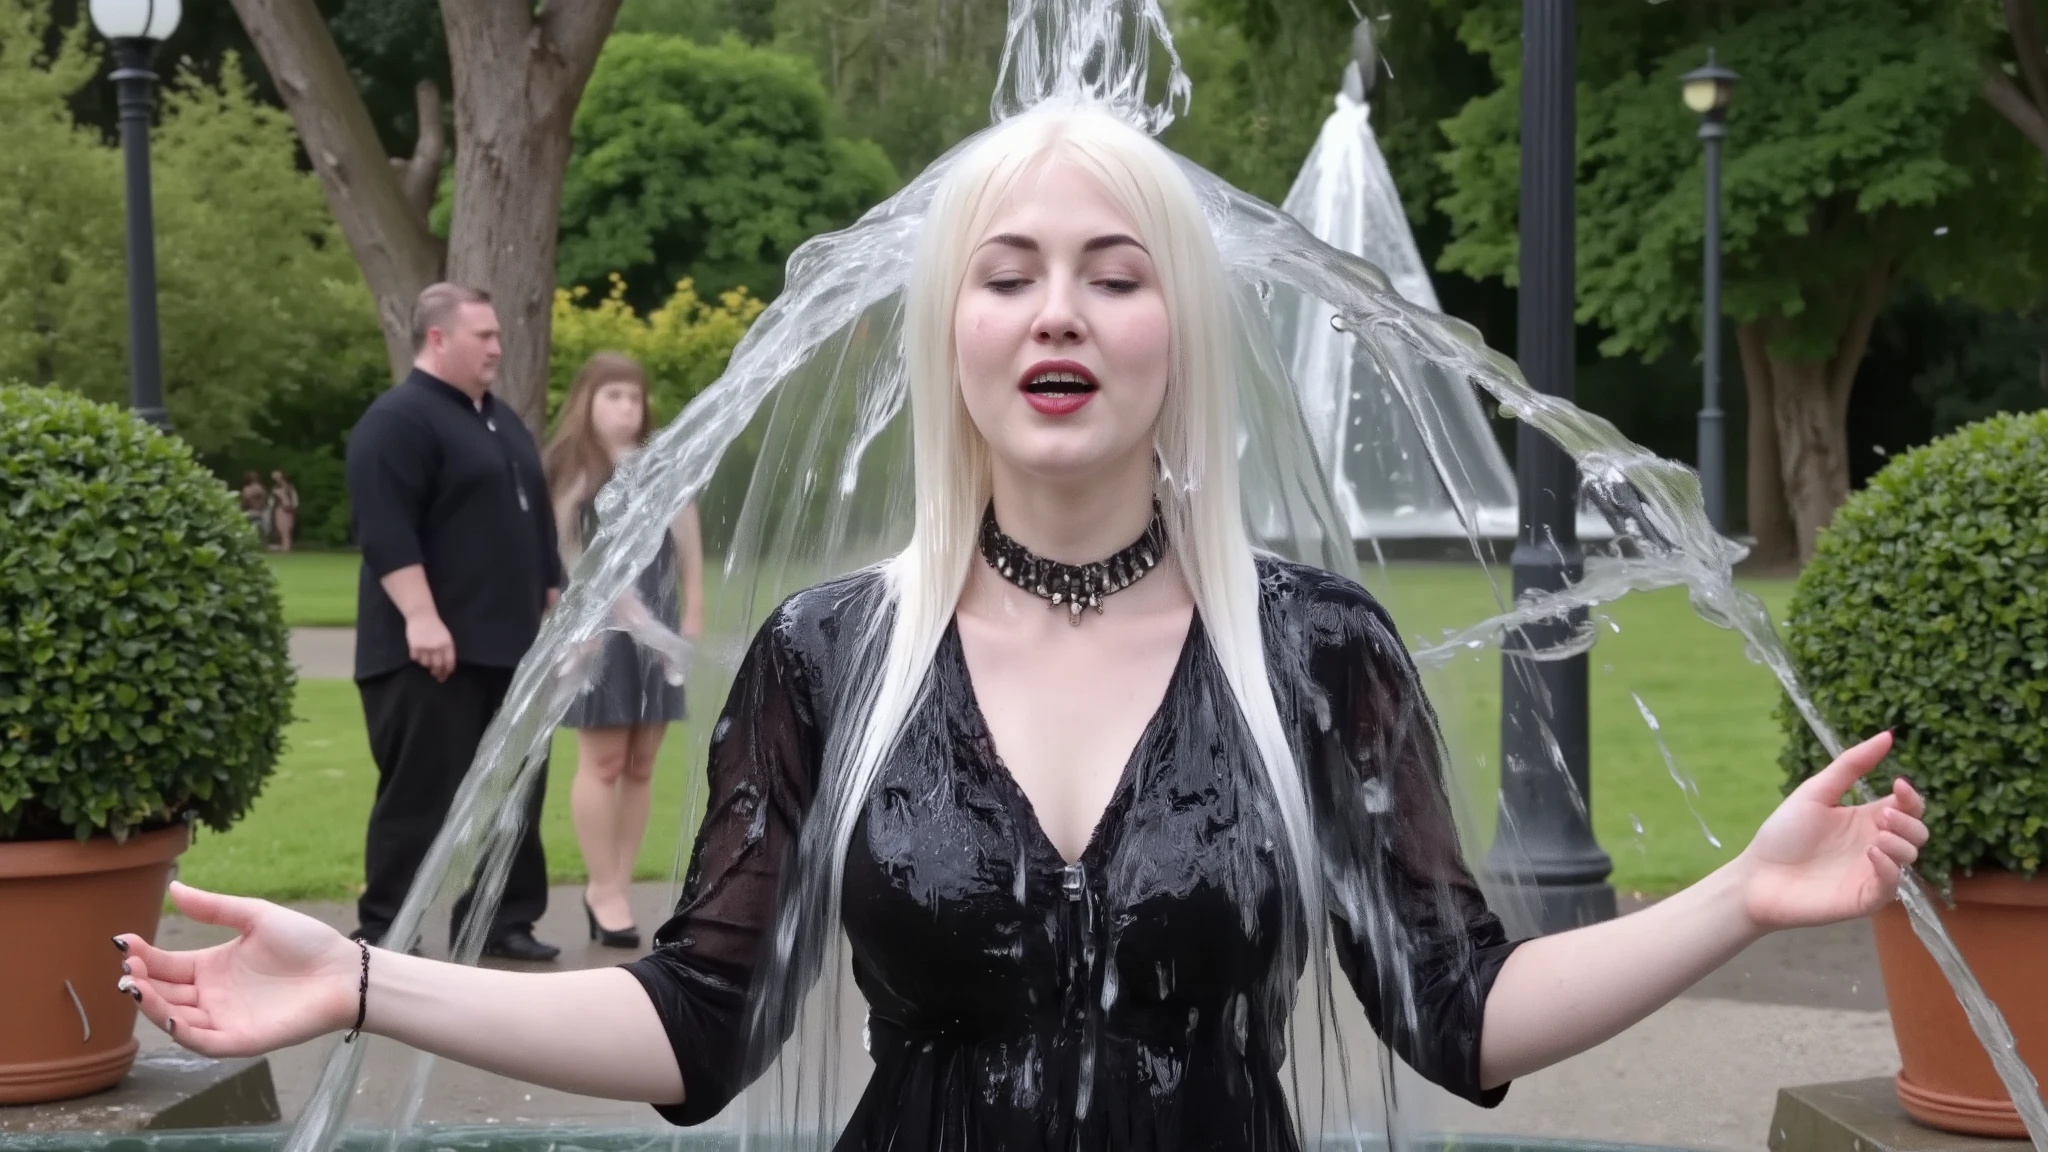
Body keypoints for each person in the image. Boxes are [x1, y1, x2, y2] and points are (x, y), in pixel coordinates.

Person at [115, 107, 1928, 1149]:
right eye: (1008, 272)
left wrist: (1735, 900)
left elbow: (1464, 1014)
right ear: (953, 333)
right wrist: (359, 972)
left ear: (1177, 331)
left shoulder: (1314, 650)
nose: (1058, 308)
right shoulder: (833, 656)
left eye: (1113, 273)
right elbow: (696, 1026)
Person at [337, 282, 567, 964]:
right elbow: (384, 529)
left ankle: (503, 921)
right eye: (484, 336)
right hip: (427, 654)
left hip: (511, 650)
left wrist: (556, 608)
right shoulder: (398, 421)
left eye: (498, 334)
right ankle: (388, 928)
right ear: (438, 339)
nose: (499, 347)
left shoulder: (502, 421)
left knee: (518, 789)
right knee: (419, 797)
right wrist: (422, 618)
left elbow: (537, 527)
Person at [541, 352, 706, 949]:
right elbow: (561, 548)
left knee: (642, 763)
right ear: (587, 399)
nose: (626, 408)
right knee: (604, 760)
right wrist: (596, 614)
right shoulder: (573, 468)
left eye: (634, 398)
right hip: (600, 630)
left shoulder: (660, 464)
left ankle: (619, 883)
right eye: (613, 396)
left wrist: (690, 614)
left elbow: (688, 538)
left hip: (656, 630)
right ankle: (601, 888)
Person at [268, 470, 300, 553]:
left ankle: (286, 548)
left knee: (287, 529)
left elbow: (294, 499)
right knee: (281, 529)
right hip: (280, 510)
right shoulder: (274, 489)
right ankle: (285, 547)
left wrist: (293, 507)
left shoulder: (289, 487)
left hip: (288, 510)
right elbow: (271, 501)